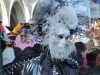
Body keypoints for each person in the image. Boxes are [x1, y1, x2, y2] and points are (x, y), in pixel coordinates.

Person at [4, 1, 79, 75]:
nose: (64, 42)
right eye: (60, 36)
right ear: (46, 34)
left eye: (66, 38)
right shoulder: (29, 61)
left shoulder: (71, 64)